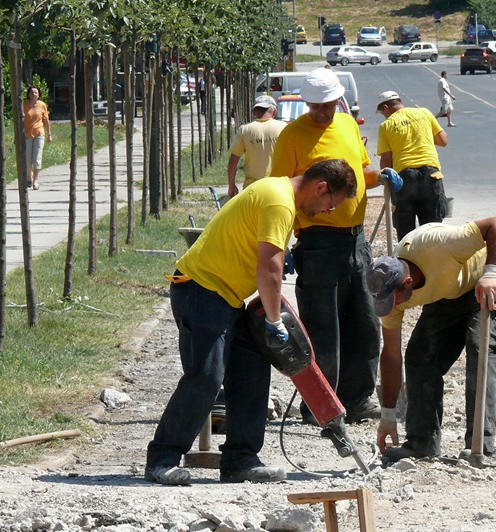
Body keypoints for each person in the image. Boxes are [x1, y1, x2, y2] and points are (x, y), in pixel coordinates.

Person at [145, 159, 358, 486]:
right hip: (201, 290)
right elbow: (270, 268)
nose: (329, 210)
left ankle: (240, 460)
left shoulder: (278, 196)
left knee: (252, 369)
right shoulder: (278, 201)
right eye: (332, 203)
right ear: (320, 187)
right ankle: (162, 459)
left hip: (225, 298)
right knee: (205, 377)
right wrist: (274, 322)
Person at [270, 68, 403, 425]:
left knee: (364, 324)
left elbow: (360, 173)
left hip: (356, 241)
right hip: (318, 244)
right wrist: (281, 246)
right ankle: (319, 405)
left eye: (327, 106)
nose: (322, 113)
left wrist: (380, 177)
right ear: (306, 103)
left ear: (338, 101)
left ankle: (357, 399)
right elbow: (279, 194)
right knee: (322, 329)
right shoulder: (292, 137)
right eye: (315, 107)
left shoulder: (345, 126)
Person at [366, 218, 496, 462]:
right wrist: (387, 416)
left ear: (408, 283)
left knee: (482, 348)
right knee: (419, 356)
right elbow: (392, 354)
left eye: (394, 300)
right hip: (448, 291)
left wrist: (491, 273)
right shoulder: (390, 294)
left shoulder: (439, 245)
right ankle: (421, 443)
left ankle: (479, 444)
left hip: (486, 279)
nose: (391, 307)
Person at [376, 90, 449, 241]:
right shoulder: (424, 113)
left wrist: (387, 182)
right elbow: (443, 141)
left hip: (405, 178)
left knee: (406, 233)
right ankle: (432, 263)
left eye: (382, 112)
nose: (383, 115)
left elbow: (386, 161)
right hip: (432, 176)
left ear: (386, 108)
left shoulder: (386, 125)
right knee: (433, 231)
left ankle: (408, 262)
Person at [226, 95, 286, 198]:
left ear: (254, 112)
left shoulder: (245, 130)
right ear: (274, 112)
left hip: (252, 189)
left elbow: (233, 161)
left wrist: (231, 186)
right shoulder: (284, 128)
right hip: (279, 187)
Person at [22, 85, 53, 190]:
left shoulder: (42, 105)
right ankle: (28, 177)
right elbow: (20, 122)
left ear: (39, 94)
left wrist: (49, 134)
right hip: (27, 135)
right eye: (31, 92)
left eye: (35, 92)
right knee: (27, 159)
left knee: (37, 158)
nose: (33, 94)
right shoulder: (24, 105)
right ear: (29, 95)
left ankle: (35, 180)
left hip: (39, 134)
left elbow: (46, 121)